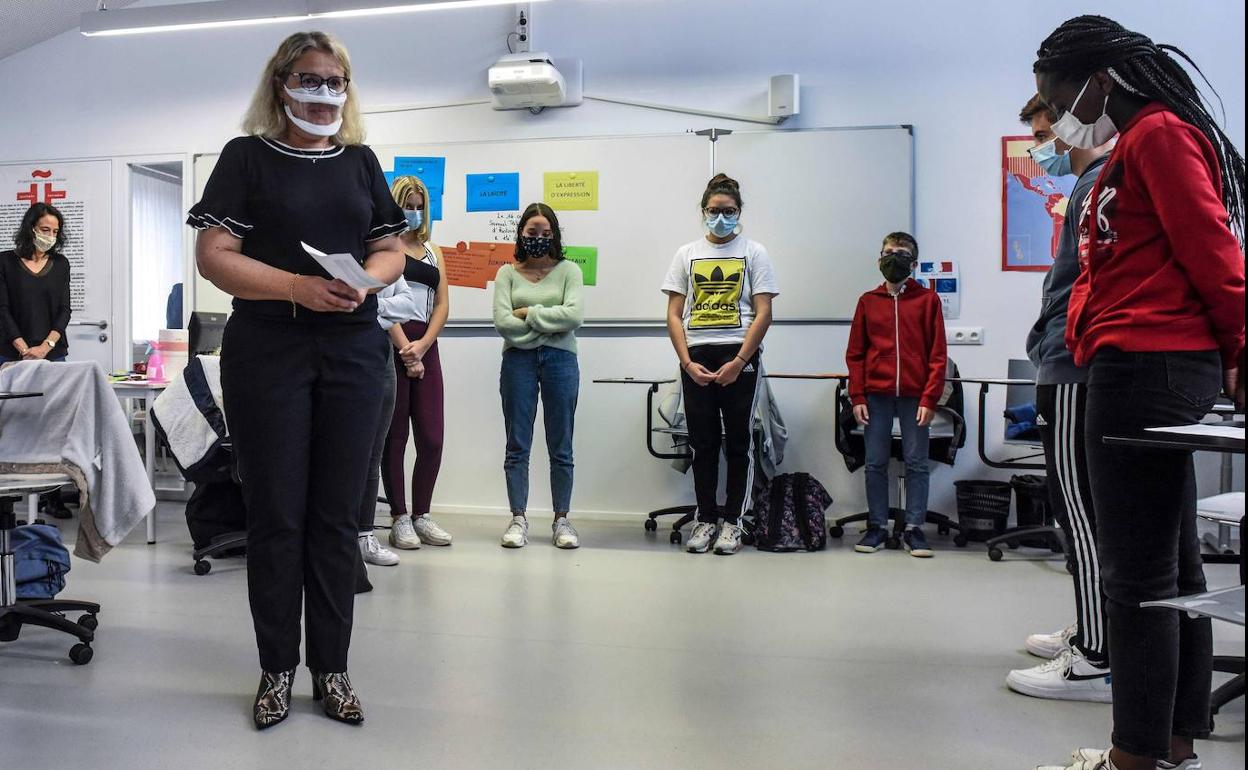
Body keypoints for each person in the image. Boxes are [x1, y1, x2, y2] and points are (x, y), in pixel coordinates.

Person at [1033, 15, 1246, 770]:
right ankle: (1174, 743)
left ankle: (1133, 758)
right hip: (1144, 361)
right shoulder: (1137, 143)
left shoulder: (1157, 134)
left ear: (1100, 80)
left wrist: (1241, 345)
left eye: (1058, 98)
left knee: (1134, 575)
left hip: (1145, 366)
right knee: (1174, 568)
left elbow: (1212, 247)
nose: (1057, 116)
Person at [187, 31, 407, 730]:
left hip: (352, 350)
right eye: (309, 79)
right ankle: (277, 668)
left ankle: (332, 669)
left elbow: (391, 247)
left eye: (335, 81)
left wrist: (366, 280)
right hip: (269, 349)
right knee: (277, 516)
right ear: (281, 84)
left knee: (338, 518)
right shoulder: (246, 157)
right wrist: (295, 286)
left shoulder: (361, 161)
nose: (323, 94)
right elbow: (214, 254)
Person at [1005, 95, 1114, 704]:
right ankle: (1092, 629)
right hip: (1064, 361)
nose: (1041, 147)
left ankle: (1095, 657)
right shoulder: (1086, 189)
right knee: (1081, 510)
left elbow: (1084, 289)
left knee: (1079, 511)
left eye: (1046, 133)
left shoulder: (1096, 184)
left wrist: (1057, 345)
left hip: (1073, 366)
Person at [662, 174, 778, 556]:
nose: (721, 218)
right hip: (697, 356)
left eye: (729, 211)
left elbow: (764, 312)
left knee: (740, 442)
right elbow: (674, 314)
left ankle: (733, 522)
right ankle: (706, 519)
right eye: (714, 211)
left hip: (738, 354)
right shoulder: (686, 254)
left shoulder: (754, 252)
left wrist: (740, 361)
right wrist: (686, 362)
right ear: (703, 211)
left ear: (739, 212)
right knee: (703, 443)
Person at [844, 232, 946, 558]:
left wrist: (930, 398)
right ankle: (877, 526)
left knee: (917, 463)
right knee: (875, 462)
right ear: (879, 259)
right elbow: (856, 354)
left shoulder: (928, 301)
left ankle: (914, 529)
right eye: (888, 252)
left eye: (901, 254)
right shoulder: (867, 301)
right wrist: (857, 396)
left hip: (915, 396)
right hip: (876, 395)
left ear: (913, 264)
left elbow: (938, 355)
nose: (894, 258)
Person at [492, 203, 584, 549]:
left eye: (546, 233)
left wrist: (528, 312)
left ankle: (562, 520)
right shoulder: (506, 274)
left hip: (562, 361)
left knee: (561, 445)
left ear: (555, 235)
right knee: (517, 444)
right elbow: (503, 323)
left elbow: (574, 317)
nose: (539, 238)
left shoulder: (569, 271)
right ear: (521, 234)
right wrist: (549, 324)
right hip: (518, 361)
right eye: (532, 232)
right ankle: (518, 518)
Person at [379, 174, 453, 551]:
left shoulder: (433, 251)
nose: (413, 212)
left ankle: (422, 514)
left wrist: (422, 347)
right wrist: (406, 349)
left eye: (419, 206)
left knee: (432, 437)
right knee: (394, 437)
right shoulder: (383, 249)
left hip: (426, 344)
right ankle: (399, 517)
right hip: (393, 343)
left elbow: (442, 303)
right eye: (407, 205)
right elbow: (379, 300)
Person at [354, 272, 417, 576]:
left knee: (373, 454)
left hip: (381, 354)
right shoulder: (345, 258)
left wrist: (368, 306)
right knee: (345, 452)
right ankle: (338, 535)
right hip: (347, 349)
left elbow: (408, 304)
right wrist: (374, 307)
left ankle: (364, 535)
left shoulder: (386, 261)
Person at [0, 203, 71, 364]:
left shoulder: (61, 264)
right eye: (45, 230)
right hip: (11, 352)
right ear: (31, 228)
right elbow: (2, 310)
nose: (51, 236)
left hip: (52, 352)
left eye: (55, 231)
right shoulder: (5, 261)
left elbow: (64, 310)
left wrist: (45, 347)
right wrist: (24, 350)